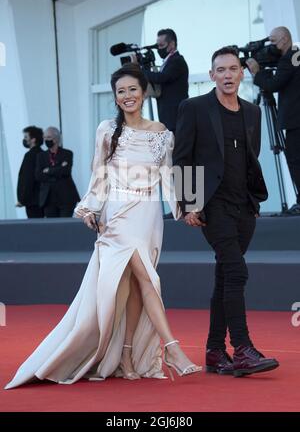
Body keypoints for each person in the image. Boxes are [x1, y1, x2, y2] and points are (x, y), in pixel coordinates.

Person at [5, 64, 201, 389]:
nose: (127, 96)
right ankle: (172, 348)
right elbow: (99, 173)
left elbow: (170, 175)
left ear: (145, 91)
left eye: (133, 89)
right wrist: (89, 208)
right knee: (148, 278)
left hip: (148, 214)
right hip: (117, 214)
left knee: (136, 285)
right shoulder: (107, 129)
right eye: (121, 91)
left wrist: (189, 206)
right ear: (115, 96)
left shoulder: (162, 132)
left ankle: (125, 357)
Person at [173, 46, 279, 377]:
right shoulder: (194, 108)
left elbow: (251, 157)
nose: (228, 75)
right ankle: (243, 349)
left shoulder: (252, 112)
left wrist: (254, 200)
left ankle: (215, 351)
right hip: (211, 204)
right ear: (212, 75)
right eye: (221, 70)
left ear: (241, 73)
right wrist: (189, 203)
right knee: (236, 271)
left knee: (225, 276)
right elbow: (182, 158)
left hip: (243, 206)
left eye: (233, 69)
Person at [246, 26, 300, 214]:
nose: (272, 46)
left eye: (274, 42)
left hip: (295, 120)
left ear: (285, 39)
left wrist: (256, 72)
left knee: (295, 159)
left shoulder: (288, 59)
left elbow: (273, 85)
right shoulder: (296, 55)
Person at [142, 28, 189, 133]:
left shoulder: (177, 61)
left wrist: (143, 71)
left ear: (172, 44)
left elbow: (161, 78)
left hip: (176, 117)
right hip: (169, 117)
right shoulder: (168, 61)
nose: (158, 49)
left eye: (161, 46)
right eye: (157, 46)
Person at [35, 127, 80, 217]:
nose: (45, 140)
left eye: (48, 137)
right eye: (44, 137)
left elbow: (66, 171)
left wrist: (48, 170)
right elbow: (38, 175)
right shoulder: (41, 156)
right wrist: (58, 170)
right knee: (51, 228)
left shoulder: (67, 153)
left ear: (56, 138)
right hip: (48, 199)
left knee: (65, 226)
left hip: (66, 197)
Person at [16, 126, 44, 218]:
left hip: (32, 201)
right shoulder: (43, 154)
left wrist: (22, 199)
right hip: (42, 199)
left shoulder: (30, 155)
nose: (24, 140)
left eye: (26, 137)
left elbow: (27, 179)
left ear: (33, 140)